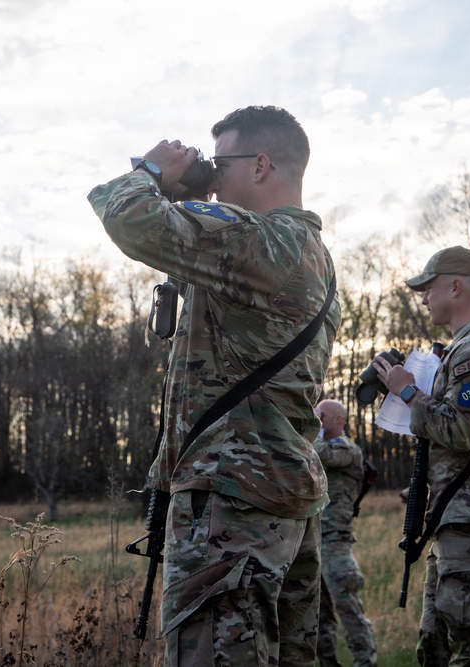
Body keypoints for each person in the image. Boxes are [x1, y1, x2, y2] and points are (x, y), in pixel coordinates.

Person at [88, 106, 341, 666]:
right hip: (281, 495)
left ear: (260, 165)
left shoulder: (267, 243)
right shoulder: (304, 252)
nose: (213, 174)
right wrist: (195, 195)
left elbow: (129, 217)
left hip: (234, 502)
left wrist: (153, 171)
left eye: (220, 164)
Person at [370, 246, 470, 666]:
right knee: (435, 645)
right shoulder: (464, 349)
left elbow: (462, 431)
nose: (424, 298)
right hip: (457, 517)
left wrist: (408, 392)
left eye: (429, 288)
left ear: (456, 288)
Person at [313, 399, 378, 667]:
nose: (316, 420)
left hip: (336, 542)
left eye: (321, 416)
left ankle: (366, 662)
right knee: (318, 615)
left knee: (349, 609)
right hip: (314, 542)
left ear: (338, 420)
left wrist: (310, 426)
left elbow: (320, 453)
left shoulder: (347, 449)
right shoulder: (320, 446)